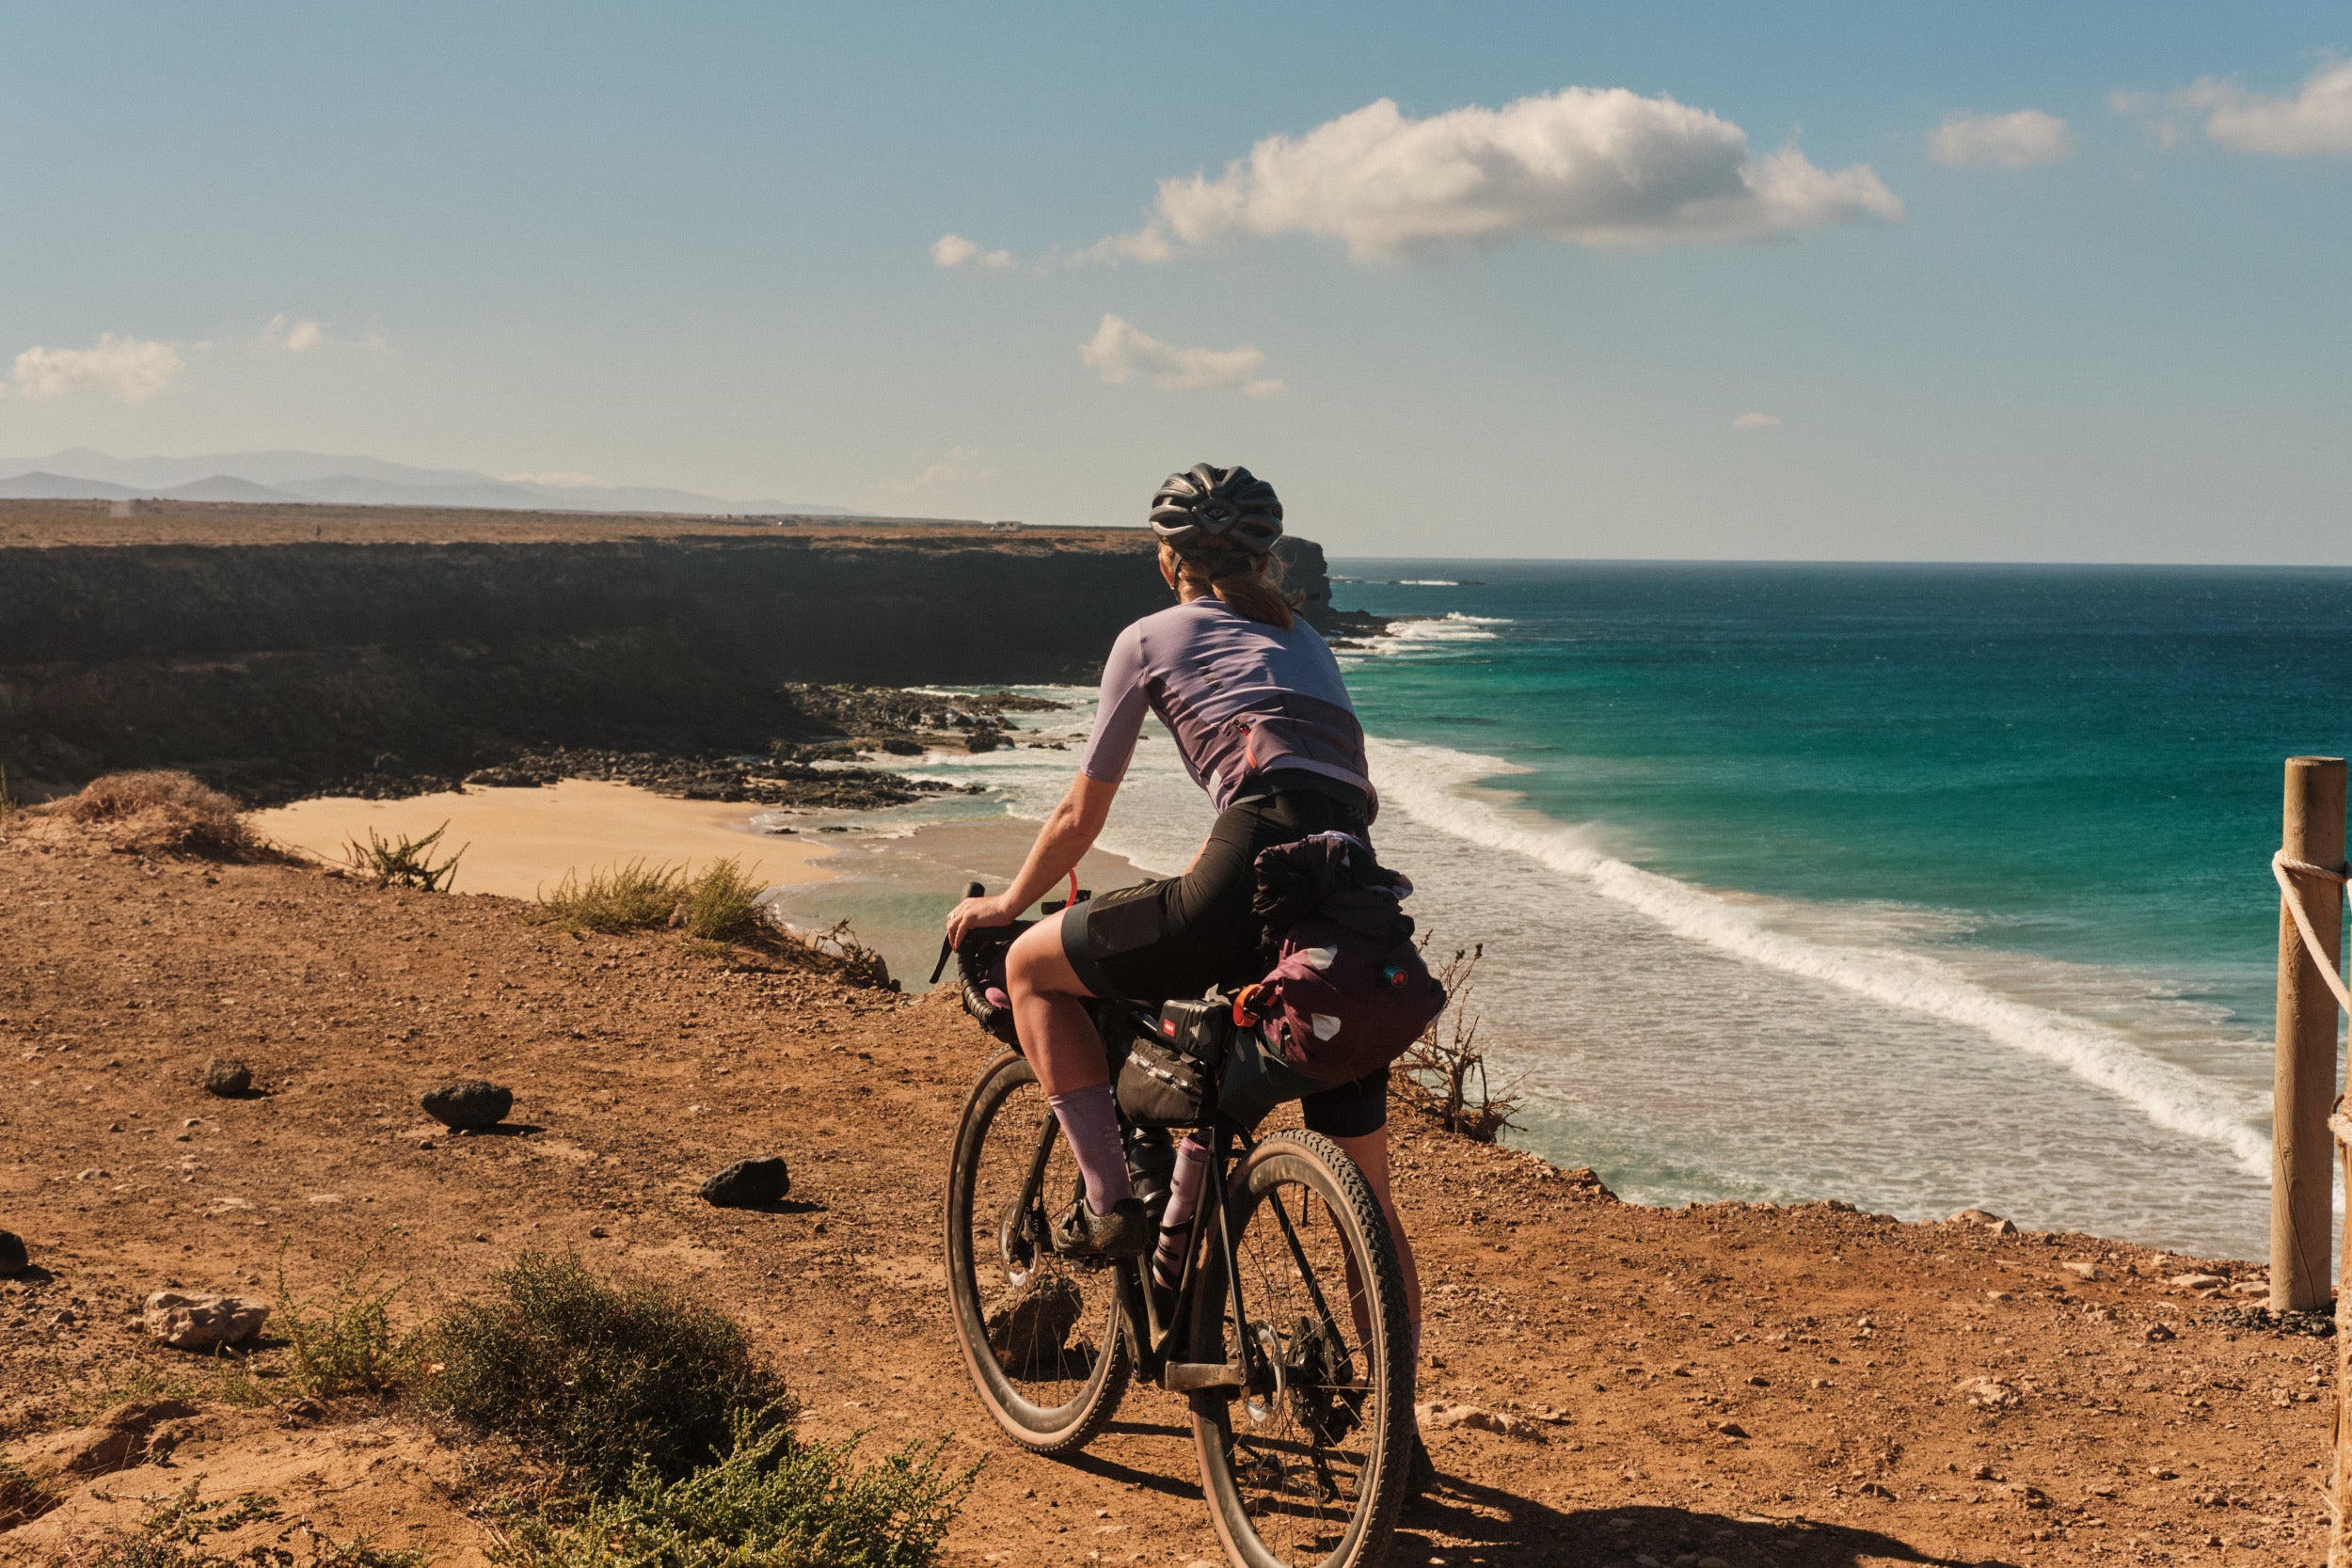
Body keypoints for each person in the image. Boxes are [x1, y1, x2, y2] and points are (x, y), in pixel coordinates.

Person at [944, 462, 1422, 1372]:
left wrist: (1004, 904)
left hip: (1248, 863)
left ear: (1167, 561)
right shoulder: (1308, 639)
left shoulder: (1147, 636)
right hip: (1349, 898)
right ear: (1271, 561)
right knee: (1371, 1194)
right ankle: (1400, 1422)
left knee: (1033, 966)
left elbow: (1081, 816)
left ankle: (1109, 1203)